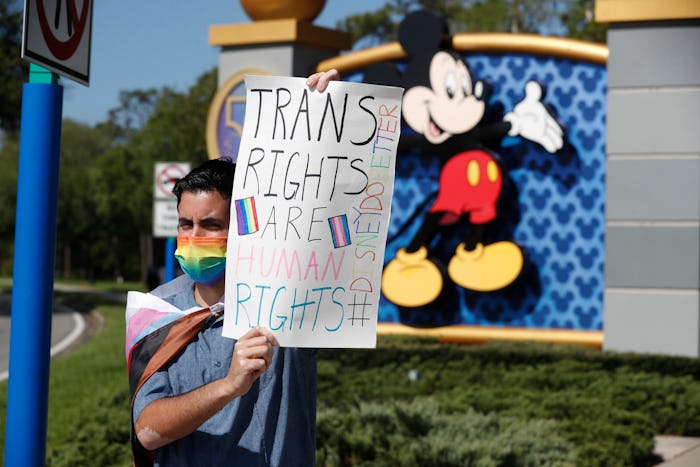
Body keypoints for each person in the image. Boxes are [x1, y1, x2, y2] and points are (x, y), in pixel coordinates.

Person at [130, 69, 339, 466]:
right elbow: (148, 429)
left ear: (244, 228)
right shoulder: (154, 313)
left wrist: (320, 116)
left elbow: (324, 211)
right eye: (185, 224)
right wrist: (230, 385)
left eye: (211, 225)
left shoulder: (291, 299)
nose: (193, 236)